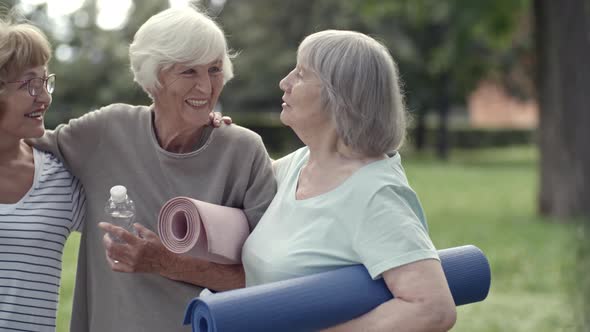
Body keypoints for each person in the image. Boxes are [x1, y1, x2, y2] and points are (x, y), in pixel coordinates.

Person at [32, 6, 276, 332]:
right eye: (189, 72)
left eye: (214, 69)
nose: (206, 87)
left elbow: (271, 282)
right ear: (153, 77)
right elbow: (20, 143)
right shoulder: (107, 131)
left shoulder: (244, 152)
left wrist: (166, 263)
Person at [241, 30, 457, 331]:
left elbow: (432, 308)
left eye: (301, 74)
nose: (284, 82)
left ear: (338, 95)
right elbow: (235, 187)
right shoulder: (299, 163)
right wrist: (219, 136)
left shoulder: (375, 194)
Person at [0, 14, 86, 332]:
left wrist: (200, 133)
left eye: (46, 82)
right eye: (31, 85)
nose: (46, 97)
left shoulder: (60, 179)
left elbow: (128, 223)